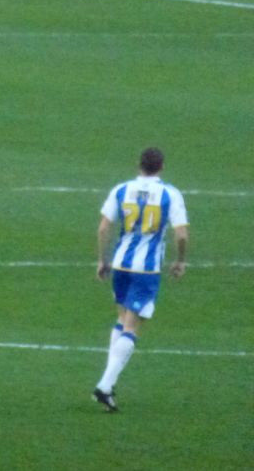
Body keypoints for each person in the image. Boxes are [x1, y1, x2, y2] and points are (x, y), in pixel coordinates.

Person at [91, 148, 188, 413]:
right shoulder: (170, 193)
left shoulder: (121, 189)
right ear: (162, 167)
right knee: (132, 327)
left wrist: (102, 260)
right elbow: (181, 235)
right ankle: (105, 385)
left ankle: (109, 385)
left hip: (121, 264)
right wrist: (180, 261)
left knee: (122, 321)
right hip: (146, 270)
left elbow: (103, 228)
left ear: (138, 164)